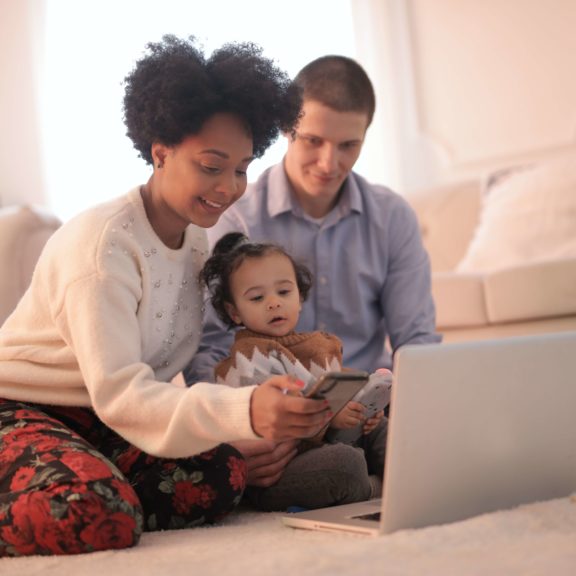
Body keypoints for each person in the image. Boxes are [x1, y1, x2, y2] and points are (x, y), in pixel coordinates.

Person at [0, 35, 333, 558]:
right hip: (21, 409)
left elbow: (156, 386)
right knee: (95, 513)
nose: (229, 187)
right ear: (160, 153)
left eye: (242, 168)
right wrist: (242, 411)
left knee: (223, 472)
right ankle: (85, 486)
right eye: (211, 165)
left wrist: (238, 429)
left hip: (101, 421)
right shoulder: (104, 247)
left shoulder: (197, 241)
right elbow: (123, 394)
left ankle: (85, 479)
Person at [185, 55, 441, 490]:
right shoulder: (235, 217)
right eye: (313, 141)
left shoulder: (392, 217)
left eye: (348, 146)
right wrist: (235, 431)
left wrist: (428, 412)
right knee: (339, 471)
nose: (329, 163)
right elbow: (207, 348)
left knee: (441, 448)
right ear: (287, 130)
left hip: (372, 409)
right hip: (278, 418)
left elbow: (415, 343)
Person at [198, 231, 388, 510]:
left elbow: (344, 386)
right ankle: (376, 488)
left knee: (387, 430)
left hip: (332, 442)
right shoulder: (248, 358)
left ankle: (411, 475)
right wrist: (331, 417)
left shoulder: (318, 345)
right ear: (235, 312)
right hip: (281, 470)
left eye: (284, 292)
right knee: (345, 465)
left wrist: (367, 409)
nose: (273, 302)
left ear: (299, 297)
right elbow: (280, 418)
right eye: (257, 298)